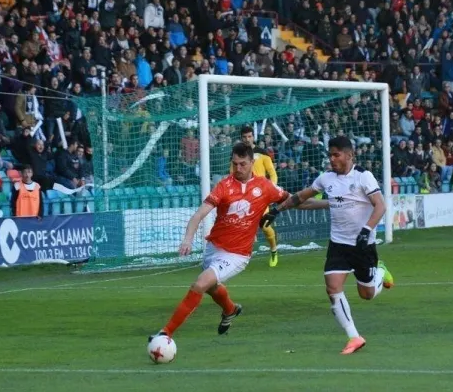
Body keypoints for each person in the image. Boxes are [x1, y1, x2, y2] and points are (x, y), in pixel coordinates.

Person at [149, 143, 325, 341]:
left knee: (200, 284)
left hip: (237, 254)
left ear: (252, 162)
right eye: (235, 164)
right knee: (212, 287)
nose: (238, 168)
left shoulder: (265, 186)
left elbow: (296, 201)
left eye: (242, 164)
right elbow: (199, 215)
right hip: (213, 248)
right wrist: (187, 239)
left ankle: (165, 334)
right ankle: (230, 310)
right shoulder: (224, 186)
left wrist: (329, 204)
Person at [261, 136, 394, 355]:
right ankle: (354, 336)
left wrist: (366, 229)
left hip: (362, 245)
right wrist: (276, 210)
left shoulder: (363, 176)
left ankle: (380, 272)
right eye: (330, 155)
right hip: (338, 244)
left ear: (349, 155)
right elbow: (300, 197)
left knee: (367, 294)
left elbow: (380, 205)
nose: (332, 159)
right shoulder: (326, 179)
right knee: (332, 287)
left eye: (336, 155)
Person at [235, 125, 281, 267]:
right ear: (241, 138)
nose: (247, 139)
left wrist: (270, 189)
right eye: (244, 137)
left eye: (249, 136)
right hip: (243, 195)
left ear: (253, 137)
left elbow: (272, 174)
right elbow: (232, 174)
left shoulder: (262, 153)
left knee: (265, 226)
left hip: (260, 195)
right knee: (239, 226)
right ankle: (238, 256)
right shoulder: (237, 154)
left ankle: (273, 251)